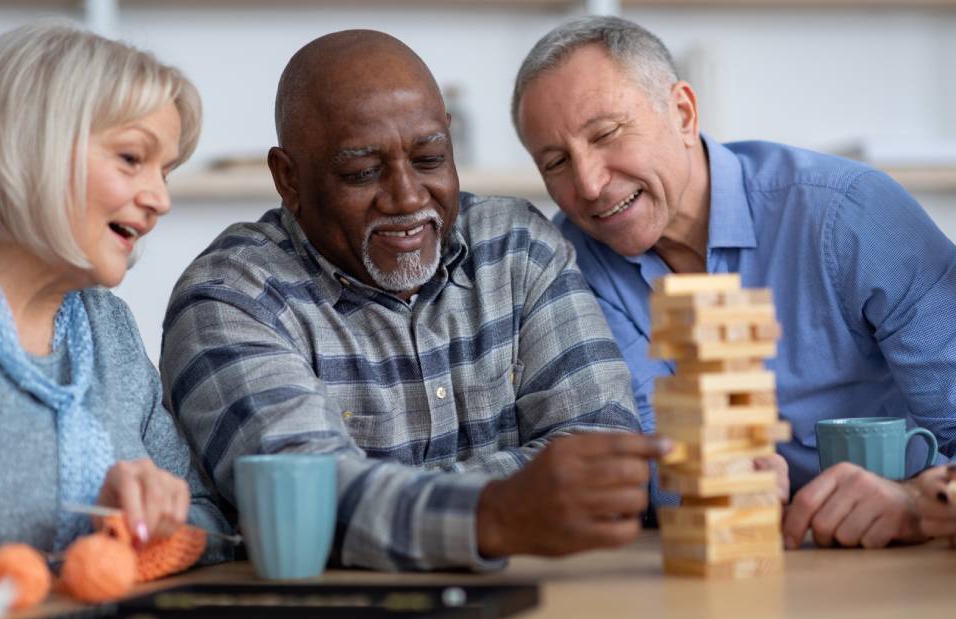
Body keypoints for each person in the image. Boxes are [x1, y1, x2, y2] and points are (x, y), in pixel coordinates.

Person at [160, 29, 670, 572]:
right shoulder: (229, 299)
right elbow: (302, 507)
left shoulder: (519, 247)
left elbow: (603, 459)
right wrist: (495, 513)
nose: (407, 197)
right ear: (289, 178)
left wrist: (381, 501)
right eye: (361, 173)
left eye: (429, 159)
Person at [512, 15, 956, 550]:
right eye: (556, 162)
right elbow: (644, 461)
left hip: (907, 555)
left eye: (606, 134)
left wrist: (915, 504)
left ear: (682, 113)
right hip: (720, 559)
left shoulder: (850, 215)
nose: (589, 184)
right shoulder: (566, 264)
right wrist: (703, 484)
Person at [0, 22, 231, 583]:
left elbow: (210, 524)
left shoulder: (106, 328)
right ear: (28, 149)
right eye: (132, 158)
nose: (160, 200)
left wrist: (145, 524)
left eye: (166, 171)